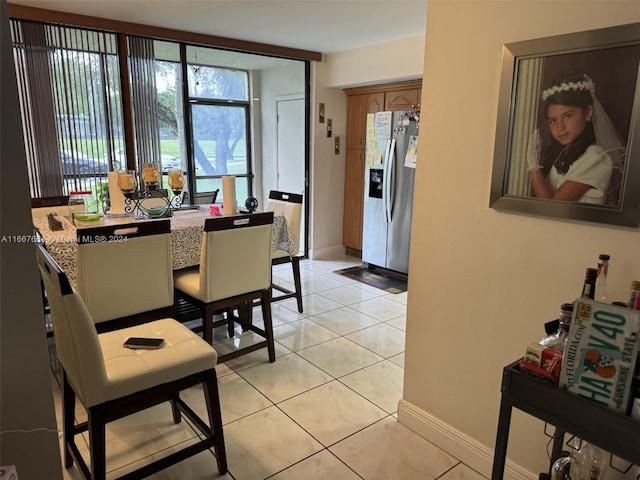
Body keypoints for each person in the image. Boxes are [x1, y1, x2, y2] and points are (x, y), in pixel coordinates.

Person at [526, 70, 625, 204]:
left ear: (588, 112)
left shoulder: (596, 158)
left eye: (568, 116)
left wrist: (534, 168)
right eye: (553, 120)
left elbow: (551, 206)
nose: (560, 127)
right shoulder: (564, 153)